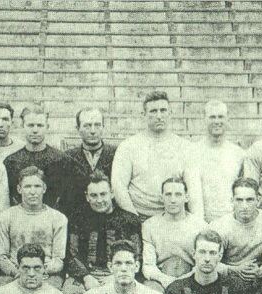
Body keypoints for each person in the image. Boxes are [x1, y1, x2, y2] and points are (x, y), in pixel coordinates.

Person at [111, 90, 203, 220]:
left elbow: (194, 192)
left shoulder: (186, 147)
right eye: (153, 111)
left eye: (163, 110)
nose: (159, 116)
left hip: (174, 219)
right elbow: (118, 187)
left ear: (170, 113)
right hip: (138, 217)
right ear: (144, 115)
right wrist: (134, 220)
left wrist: (197, 223)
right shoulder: (128, 146)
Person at [64, 172, 141, 294]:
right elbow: (71, 254)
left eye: (103, 194)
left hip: (119, 272)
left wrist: (115, 275)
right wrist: (86, 276)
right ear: (87, 197)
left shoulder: (129, 220)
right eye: (94, 195)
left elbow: (137, 254)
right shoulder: (78, 219)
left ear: (111, 193)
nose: (99, 200)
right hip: (86, 274)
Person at [208, 178, 262, 294]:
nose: (244, 206)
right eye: (239, 200)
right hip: (229, 274)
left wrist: (261, 272)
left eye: (250, 200)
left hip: (258, 275)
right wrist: (235, 270)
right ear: (232, 201)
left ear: (258, 200)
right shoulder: (219, 226)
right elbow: (211, 263)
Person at [0, 167, 67, 289]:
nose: (32, 191)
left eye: (37, 186)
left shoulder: (58, 218)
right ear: (19, 189)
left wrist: (40, 271)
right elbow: (2, 257)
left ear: (44, 189)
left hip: (47, 273)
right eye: (27, 186)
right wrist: (17, 272)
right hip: (15, 272)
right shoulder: (6, 217)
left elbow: (58, 259)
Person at [142, 177, 207, 293]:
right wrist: (166, 281)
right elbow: (148, 265)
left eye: (178, 194)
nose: (173, 200)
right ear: (162, 197)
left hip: (192, 279)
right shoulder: (149, 226)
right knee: (149, 290)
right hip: (161, 281)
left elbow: (203, 262)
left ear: (186, 197)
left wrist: (184, 280)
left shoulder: (200, 226)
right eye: (168, 194)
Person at [4, 104, 69, 207]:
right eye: (30, 125)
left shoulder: (61, 160)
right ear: (22, 126)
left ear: (47, 127)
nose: (35, 130)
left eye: (40, 125)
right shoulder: (11, 161)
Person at [192, 100, 245, 222]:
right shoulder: (193, 151)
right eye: (212, 117)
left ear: (228, 119)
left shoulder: (238, 153)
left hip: (231, 221)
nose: (217, 121)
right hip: (201, 221)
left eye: (221, 117)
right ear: (204, 119)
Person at [59, 107, 117, 218]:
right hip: (78, 221)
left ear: (103, 127)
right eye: (87, 125)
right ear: (78, 128)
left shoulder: (117, 154)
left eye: (97, 125)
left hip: (110, 220)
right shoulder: (67, 157)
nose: (93, 131)